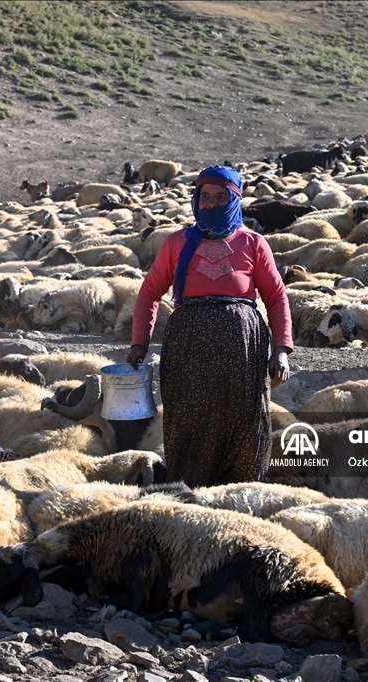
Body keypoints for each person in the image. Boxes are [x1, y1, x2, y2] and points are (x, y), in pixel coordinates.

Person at [126, 165, 292, 488]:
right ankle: (190, 501)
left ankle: (240, 499)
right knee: (189, 426)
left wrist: (282, 350)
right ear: (196, 201)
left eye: (221, 196)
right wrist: (139, 345)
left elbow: (275, 297)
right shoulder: (176, 244)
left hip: (243, 354)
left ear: (235, 200)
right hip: (189, 351)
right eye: (206, 197)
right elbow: (149, 293)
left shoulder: (253, 244)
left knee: (245, 426)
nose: (213, 203)